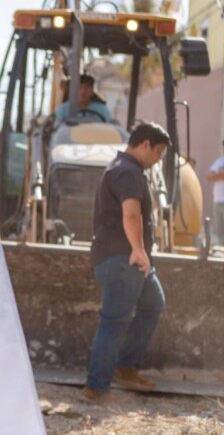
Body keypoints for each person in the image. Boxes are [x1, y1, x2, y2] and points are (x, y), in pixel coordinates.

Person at [83, 122, 169, 402]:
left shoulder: (124, 169)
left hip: (126, 258)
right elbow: (131, 215)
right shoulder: (128, 172)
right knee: (114, 320)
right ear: (145, 145)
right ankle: (96, 387)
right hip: (123, 258)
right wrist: (138, 250)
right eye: (158, 152)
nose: (159, 159)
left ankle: (125, 366)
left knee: (152, 303)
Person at [206, 140, 224, 246]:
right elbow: (210, 176)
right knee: (219, 230)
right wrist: (220, 175)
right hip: (218, 200)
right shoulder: (219, 162)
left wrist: (219, 175)